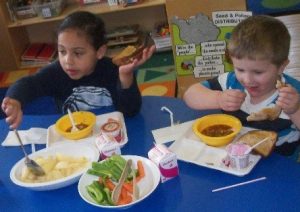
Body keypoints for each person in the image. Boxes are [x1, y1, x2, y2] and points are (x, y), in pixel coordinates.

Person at [1, 11, 156, 129]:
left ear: (100, 52)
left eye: (78, 53)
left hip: (110, 135)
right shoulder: (56, 72)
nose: (68, 60)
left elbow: (130, 111)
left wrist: (126, 76)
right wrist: (15, 100)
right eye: (62, 51)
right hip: (73, 138)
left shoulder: (112, 70)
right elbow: (29, 83)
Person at [183, 15, 300, 156]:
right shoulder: (230, 82)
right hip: (235, 155)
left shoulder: (292, 94)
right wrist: (218, 99)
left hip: (280, 161)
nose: (247, 79)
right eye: (240, 69)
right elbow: (190, 95)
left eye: (258, 72)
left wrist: (295, 110)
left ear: (281, 67)